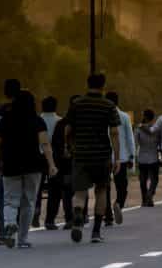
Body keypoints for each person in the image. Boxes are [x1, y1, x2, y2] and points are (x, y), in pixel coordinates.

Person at [0, 90, 57, 249]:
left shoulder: (5, 120)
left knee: (10, 200)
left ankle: (10, 225)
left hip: (10, 165)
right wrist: (51, 164)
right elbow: (45, 144)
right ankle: (22, 239)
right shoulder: (37, 121)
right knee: (28, 202)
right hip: (33, 165)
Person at [66, 74, 120, 244]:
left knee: (80, 192)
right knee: (101, 190)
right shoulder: (108, 105)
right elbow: (114, 133)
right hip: (102, 155)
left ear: (87, 84)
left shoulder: (76, 104)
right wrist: (117, 158)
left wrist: (70, 147)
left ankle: (77, 214)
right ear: (103, 86)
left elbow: (68, 130)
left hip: (81, 154)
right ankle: (96, 232)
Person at [0, 78, 21, 241]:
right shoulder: (26, 110)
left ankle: (4, 232)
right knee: (23, 197)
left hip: (5, 159)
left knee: (3, 198)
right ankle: (19, 229)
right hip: (24, 159)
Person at [45, 96, 78, 230]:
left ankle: (50, 220)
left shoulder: (60, 123)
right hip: (72, 163)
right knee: (69, 191)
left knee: (54, 192)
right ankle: (70, 218)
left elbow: (53, 143)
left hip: (58, 161)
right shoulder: (80, 124)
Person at [104, 92, 134, 226]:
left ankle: (108, 216)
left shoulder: (102, 116)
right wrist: (131, 155)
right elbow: (129, 137)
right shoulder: (125, 116)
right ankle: (118, 203)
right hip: (121, 157)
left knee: (105, 187)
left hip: (105, 156)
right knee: (122, 186)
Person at [31, 96, 61, 228]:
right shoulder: (59, 121)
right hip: (54, 157)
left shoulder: (37, 120)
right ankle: (50, 219)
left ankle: (36, 211)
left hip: (37, 156)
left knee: (36, 188)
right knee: (54, 189)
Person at [136, 109, 160, 207]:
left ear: (144, 116)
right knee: (154, 179)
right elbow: (159, 142)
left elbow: (136, 142)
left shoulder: (138, 129)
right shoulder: (156, 129)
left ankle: (144, 200)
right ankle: (149, 195)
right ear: (153, 117)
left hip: (142, 157)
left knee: (143, 180)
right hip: (154, 157)